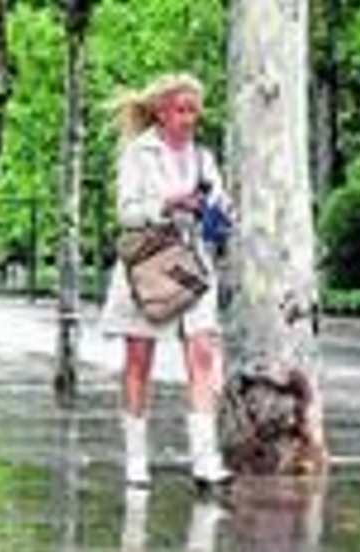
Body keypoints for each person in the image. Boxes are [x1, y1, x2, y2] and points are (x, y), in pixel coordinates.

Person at [102, 73, 232, 488]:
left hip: (193, 268)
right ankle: (136, 460)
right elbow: (126, 214)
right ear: (161, 111)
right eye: (182, 109)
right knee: (139, 362)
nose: (190, 118)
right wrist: (168, 202)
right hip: (148, 267)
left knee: (203, 357)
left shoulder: (204, 158)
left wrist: (217, 212)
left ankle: (205, 460)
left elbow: (219, 204)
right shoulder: (138, 154)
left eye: (195, 110)